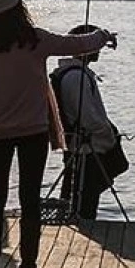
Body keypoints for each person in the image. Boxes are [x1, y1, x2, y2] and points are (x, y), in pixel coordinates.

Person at [0, 0, 116, 268]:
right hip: (32, 133)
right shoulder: (35, 41)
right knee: (31, 203)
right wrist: (103, 36)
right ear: (17, 6)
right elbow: (78, 45)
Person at [52, 24, 120, 220]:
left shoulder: (72, 74)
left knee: (79, 195)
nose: (98, 49)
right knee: (83, 200)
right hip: (85, 149)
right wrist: (108, 136)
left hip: (79, 146)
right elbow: (88, 117)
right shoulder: (76, 77)